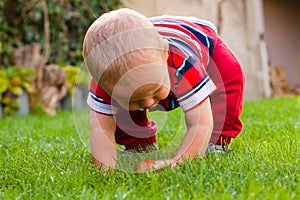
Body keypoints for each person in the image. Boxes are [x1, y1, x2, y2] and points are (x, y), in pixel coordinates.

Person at [82, 8, 245, 172]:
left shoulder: (183, 64)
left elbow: (200, 124)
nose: (148, 103)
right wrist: (105, 171)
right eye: (135, 100)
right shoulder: (105, 81)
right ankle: (139, 145)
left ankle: (217, 142)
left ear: (165, 55)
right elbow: (101, 129)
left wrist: (180, 162)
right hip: (158, 44)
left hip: (203, 41)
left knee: (229, 77)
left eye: (156, 89)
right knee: (120, 106)